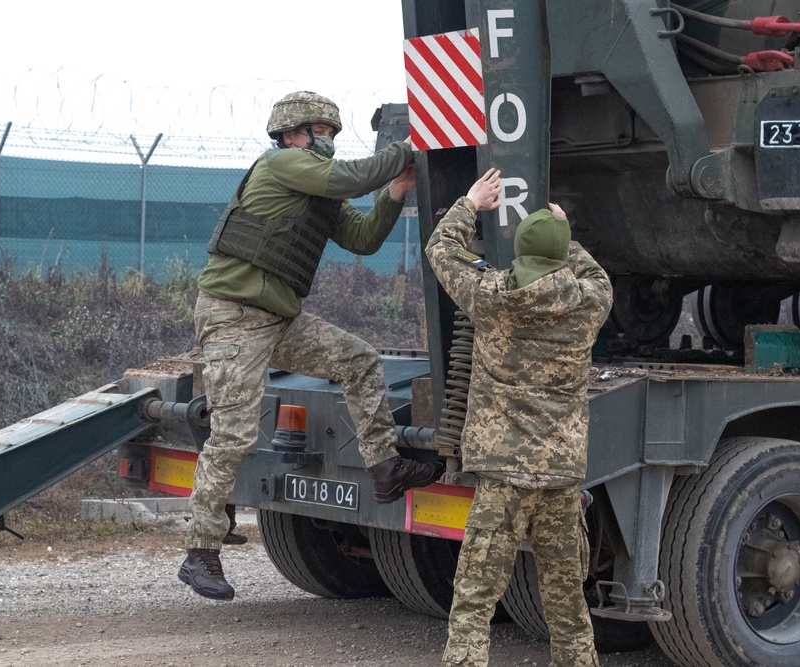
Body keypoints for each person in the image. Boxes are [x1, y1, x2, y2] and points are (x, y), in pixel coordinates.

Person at [178, 91, 444, 601]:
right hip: (234, 314)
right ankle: (199, 552)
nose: (326, 141)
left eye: (330, 133)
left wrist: (395, 193)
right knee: (233, 434)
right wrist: (409, 148)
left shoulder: (318, 189)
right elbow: (347, 177)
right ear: (291, 134)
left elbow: (363, 239)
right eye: (318, 132)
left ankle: (385, 469)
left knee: (359, 360)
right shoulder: (281, 165)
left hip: (277, 316)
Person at [425, 168, 612, 667]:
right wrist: (565, 234)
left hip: (502, 476)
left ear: (521, 254)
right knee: (568, 606)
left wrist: (469, 203)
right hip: (559, 479)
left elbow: (441, 250)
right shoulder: (590, 303)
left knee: (474, 600)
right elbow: (596, 275)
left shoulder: (490, 296)